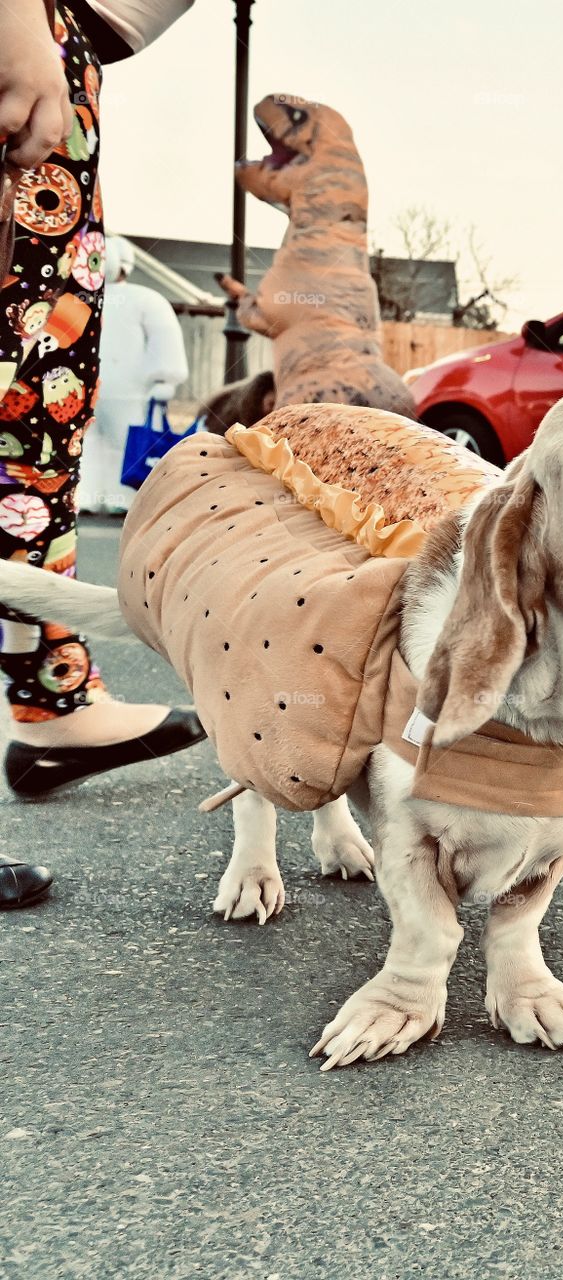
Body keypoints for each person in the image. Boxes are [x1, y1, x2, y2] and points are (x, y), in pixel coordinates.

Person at [0, 0, 198, 907]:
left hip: (55, 40)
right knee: (26, 406)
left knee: (30, 437)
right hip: (30, 35)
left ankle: (55, 695)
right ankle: (54, 699)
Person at [78, 234, 188, 514]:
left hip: (113, 388)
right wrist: (166, 377)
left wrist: (165, 378)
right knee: (99, 443)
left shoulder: (83, 299)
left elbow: (164, 338)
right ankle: (97, 497)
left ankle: (108, 498)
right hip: (112, 389)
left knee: (104, 443)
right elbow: (166, 338)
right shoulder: (146, 299)